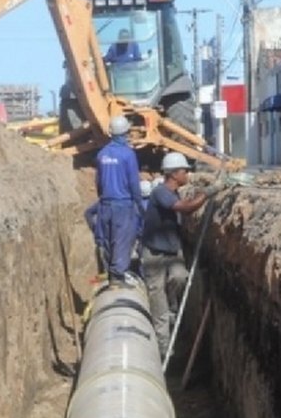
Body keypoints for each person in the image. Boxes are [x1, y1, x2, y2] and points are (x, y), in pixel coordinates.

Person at [140, 152, 224, 358]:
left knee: (180, 277)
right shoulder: (161, 192)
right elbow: (185, 209)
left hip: (172, 252)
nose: (187, 174)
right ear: (173, 174)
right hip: (154, 256)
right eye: (184, 170)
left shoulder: (174, 192)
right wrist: (208, 192)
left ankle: (173, 307)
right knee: (159, 313)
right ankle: (165, 355)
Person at [96, 115, 145, 287]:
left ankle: (111, 274)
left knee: (108, 239)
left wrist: (102, 199)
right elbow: (133, 182)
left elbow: (98, 182)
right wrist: (139, 204)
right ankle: (117, 277)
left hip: (105, 204)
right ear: (126, 133)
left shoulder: (102, 154)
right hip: (123, 204)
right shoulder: (128, 154)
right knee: (123, 239)